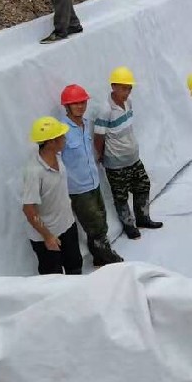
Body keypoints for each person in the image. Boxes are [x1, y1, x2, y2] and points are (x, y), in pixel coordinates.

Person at [94, 66, 163, 240]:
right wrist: (101, 155)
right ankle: (129, 225)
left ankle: (143, 218)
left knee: (143, 185)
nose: (127, 92)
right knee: (121, 196)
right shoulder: (105, 110)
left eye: (129, 88)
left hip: (133, 157)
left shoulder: (128, 103)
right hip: (116, 163)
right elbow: (99, 136)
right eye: (124, 88)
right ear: (113, 86)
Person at [60, 84, 123, 267]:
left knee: (101, 218)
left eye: (82, 102)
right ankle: (109, 258)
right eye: (75, 103)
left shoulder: (86, 123)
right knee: (96, 226)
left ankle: (99, 257)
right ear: (67, 106)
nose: (80, 106)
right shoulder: (62, 130)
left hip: (93, 183)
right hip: (78, 189)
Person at [22, 116, 82, 275]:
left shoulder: (58, 156)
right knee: (53, 277)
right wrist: (48, 237)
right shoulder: (34, 172)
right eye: (61, 136)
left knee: (74, 267)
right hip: (47, 236)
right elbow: (29, 209)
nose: (64, 139)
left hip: (67, 225)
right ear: (50, 142)